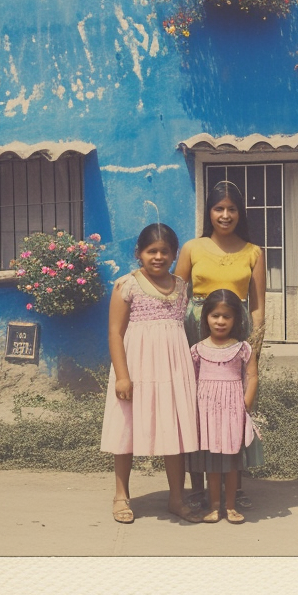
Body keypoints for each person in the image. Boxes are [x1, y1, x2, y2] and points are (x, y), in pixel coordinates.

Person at [100, 223, 202, 524]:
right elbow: (115, 333)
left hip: (173, 366)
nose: (158, 257)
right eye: (151, 251)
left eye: (165, 252)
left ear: (174, 254)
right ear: (139, 254)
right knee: (126, 428)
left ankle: (176, 498)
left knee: (175, 428)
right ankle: (121, 495)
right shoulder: (126, 285)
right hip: (137, 365)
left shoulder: (182, 286)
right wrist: (122, 375)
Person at [175, 180, 265, 510]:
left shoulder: (254, 252)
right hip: (194, 330)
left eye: (231, 209)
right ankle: (197, 484)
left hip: (237, 333)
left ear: (240, 213)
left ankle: (233, 485)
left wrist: (255, 344)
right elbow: (176, 295)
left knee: (232, 407)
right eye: (218, 208)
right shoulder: (191, 248)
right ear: (208, 212)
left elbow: (257, 304)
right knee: (198, 406)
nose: (225, 215)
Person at [189, 290, 262, 524]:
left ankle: (230, 507)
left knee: (231, 462)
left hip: (233, 411)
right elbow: (192, 380)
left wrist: (245, 406)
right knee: (211, 462)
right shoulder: (197, 349)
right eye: (215, 316)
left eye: (226, 317)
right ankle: (214, 506)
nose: (220, 321)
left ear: (236, 320)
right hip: (206, 412)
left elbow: (252, 377)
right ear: (206, 318)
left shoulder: (242, 349)